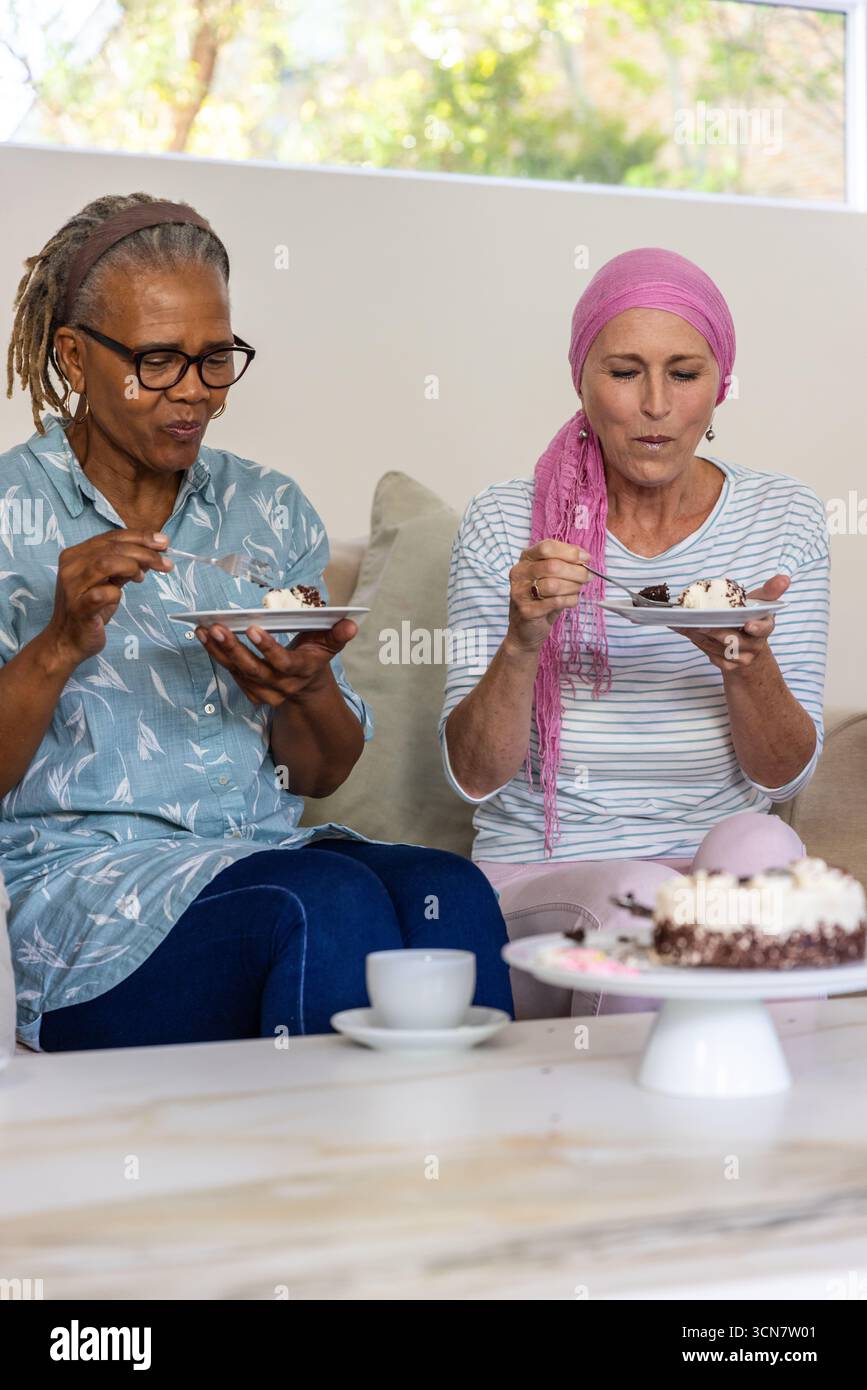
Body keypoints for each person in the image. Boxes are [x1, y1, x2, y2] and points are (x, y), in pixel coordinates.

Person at [1, 192, 513, 1051]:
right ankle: (313, 1183)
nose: (195, 394)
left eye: (215, 359)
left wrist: (303, 690)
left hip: (255, 856)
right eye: (158, 361)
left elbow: (320, 773)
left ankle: (473, 1172)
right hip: (91, 905)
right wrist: (58, 645)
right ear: (74, 357)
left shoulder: (266, 508)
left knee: (450, 890)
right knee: (323, 903)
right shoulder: (10, 509)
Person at [440, 247, 828, 1018]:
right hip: (538, 881)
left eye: (683, 374)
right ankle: (621, 1137)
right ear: (580, 381)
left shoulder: (781, 516)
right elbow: (472, 777)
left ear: (719, 386)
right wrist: (522, 642)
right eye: (623, 372)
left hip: (701, 865)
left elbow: (785, 779)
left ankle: (767, 1131)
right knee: (650, 901)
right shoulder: (504, 521)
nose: (655, 404)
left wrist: (744, 665)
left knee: (768, 854)